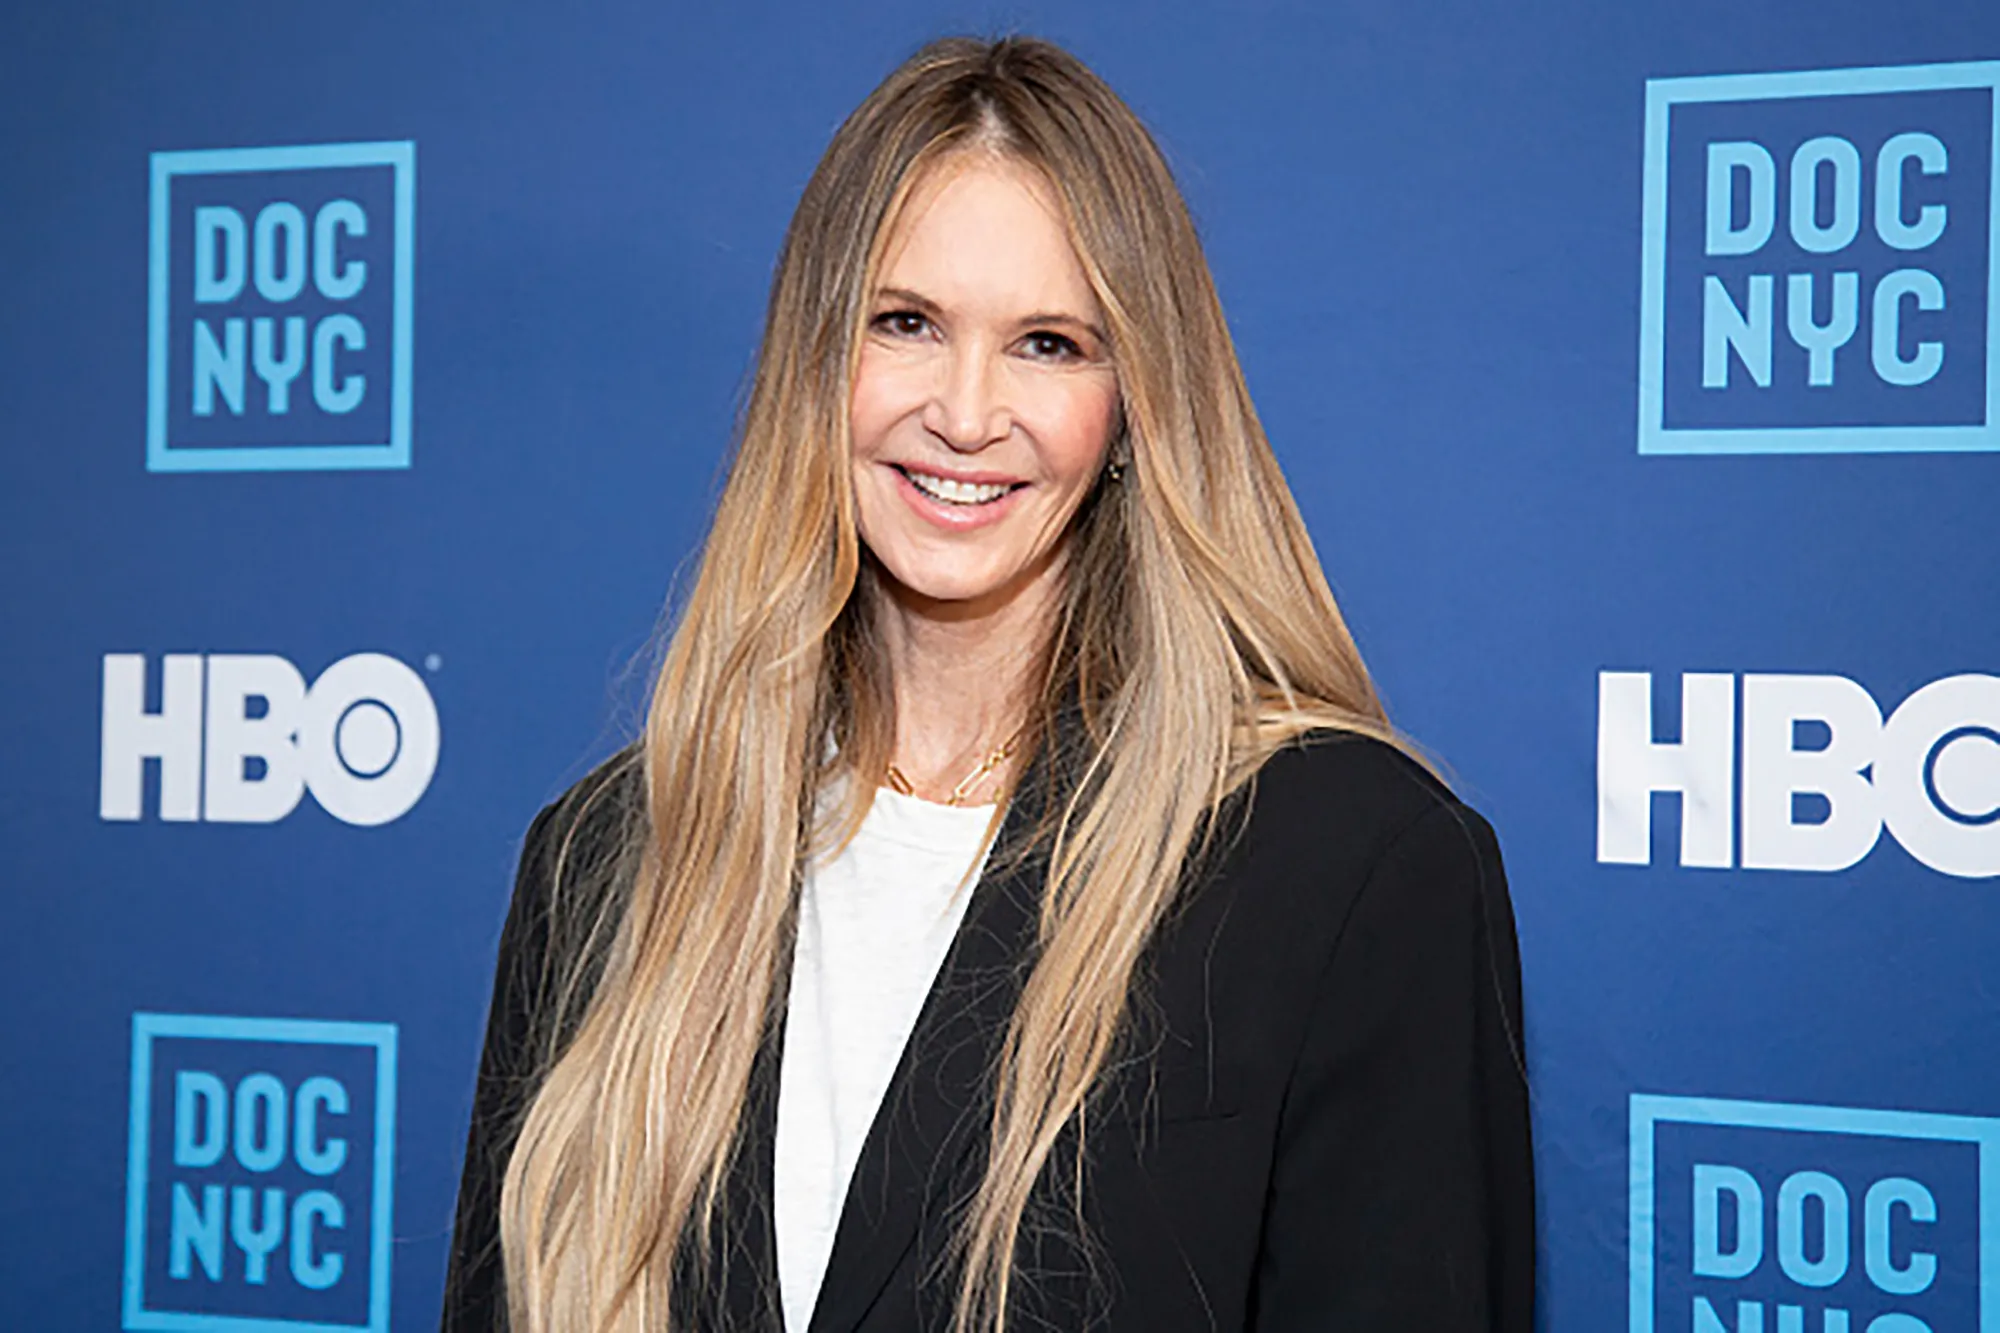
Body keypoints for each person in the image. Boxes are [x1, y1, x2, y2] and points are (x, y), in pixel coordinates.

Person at [441, 33, 1533, 1333]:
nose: (965, 414)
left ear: (1134, 406)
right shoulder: (613, 856)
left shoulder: (1346, 865)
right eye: (905, 324)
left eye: (1048, 344)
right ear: (814, 366)